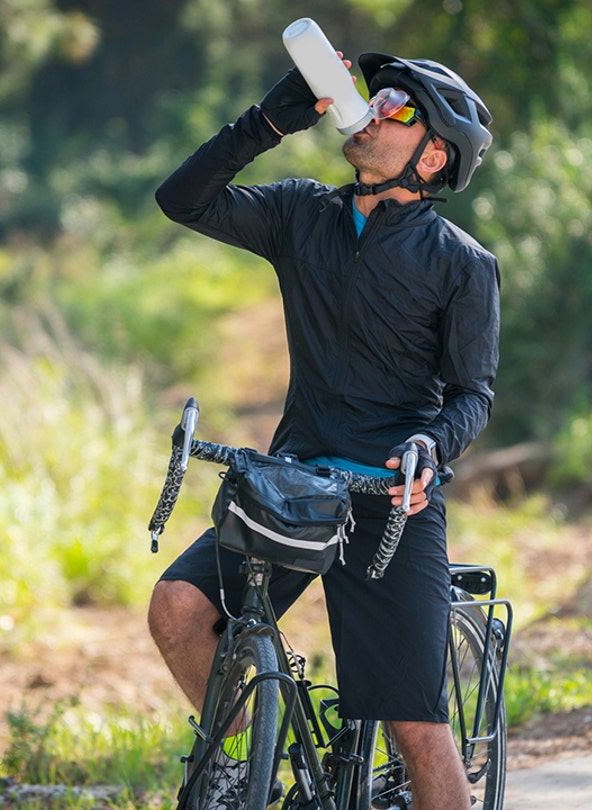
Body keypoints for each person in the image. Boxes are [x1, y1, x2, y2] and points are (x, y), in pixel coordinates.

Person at [149, 50, 499, 810]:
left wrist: (430, 447)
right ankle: (245, 764)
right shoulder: (303, 214)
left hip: (390, 504)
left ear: (433, 155)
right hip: (294, 485)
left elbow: (474, 394)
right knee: (178, 608)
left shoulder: (463, 265)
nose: (375, 109)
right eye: (379, 98)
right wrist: (269, 119)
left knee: (415, 725)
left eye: (400, 109)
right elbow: (183, 199)